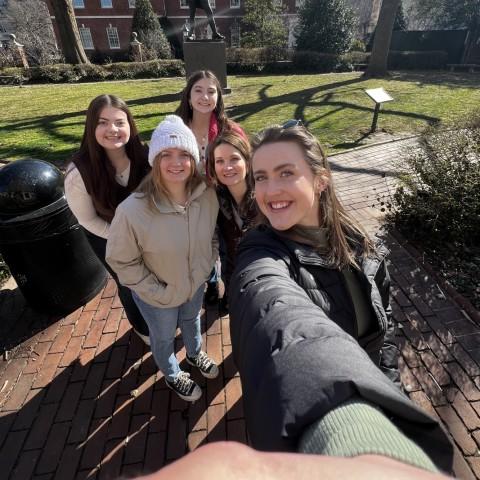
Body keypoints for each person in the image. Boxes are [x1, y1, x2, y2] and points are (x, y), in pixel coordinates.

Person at [228, 123, 453, 472]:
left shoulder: (357, 240)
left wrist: (387, 385)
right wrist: (349, 430)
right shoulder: (260, 255)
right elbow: (275, 310)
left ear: (320, 179)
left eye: (286, 173)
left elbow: (386, 322)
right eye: (260, 177)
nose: (270, 190)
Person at [106, 115, 219, 402]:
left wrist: (207, 265)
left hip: (194, 285)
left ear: (194, 158)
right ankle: (171, 373)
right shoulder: (132, 210)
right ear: (154, 160)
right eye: (166, 154)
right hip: (158, 297)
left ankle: (194, 355)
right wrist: (157, 291)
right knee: (164, 337)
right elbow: (121, 261)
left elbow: (212, 236)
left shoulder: (207, 196)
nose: (176, 162)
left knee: (193, 320)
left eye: (184, 154)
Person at [64, 94, 150, 345]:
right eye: (103, 122)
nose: (112, 129)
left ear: (130, 126)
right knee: (129, 284)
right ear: (92, 127)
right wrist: (126, 238)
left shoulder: (144, 156)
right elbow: (87, 220)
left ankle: (161, 315)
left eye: (119, 122)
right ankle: (143, 328)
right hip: (106, 235)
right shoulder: (79, 172)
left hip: (144, 232)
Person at [176, 70, 247, 305]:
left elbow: (247, 162)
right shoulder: (176, 130)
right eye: (198, 90)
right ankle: (212, 281)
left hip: (225, 200)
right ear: (188, 96)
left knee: (229, 248)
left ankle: (229, 290)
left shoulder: (230, 130)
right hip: (191, 201)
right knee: (199, 248)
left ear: (218, 97)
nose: (205, 97)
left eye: (211, 91)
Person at [207, 131, 257, 312]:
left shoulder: (264, 197)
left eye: (234, 159)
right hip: (233, 272)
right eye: (220, 161)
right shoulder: (214, 198)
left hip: (265, 276)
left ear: (247, 161)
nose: (227, 167)